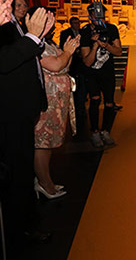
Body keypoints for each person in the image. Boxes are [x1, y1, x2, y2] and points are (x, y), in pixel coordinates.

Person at [0, 0, 55, 255]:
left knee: (21, 175)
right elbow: (6, 61)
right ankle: (16, 235)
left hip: (22, 113)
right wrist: (32, 39)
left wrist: (39, 36)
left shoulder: (10, 22)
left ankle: (24, 226)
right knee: (15, 179)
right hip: (7, 116)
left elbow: (23, 59)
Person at [34, 12, 80, 199]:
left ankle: (46, 179)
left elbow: (65, 64)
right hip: (48, 99)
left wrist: (69, 51)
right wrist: (67, 52)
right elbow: (55, 65)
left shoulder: (48, 42)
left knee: (51, 142)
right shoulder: (36, 45)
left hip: (57, 99)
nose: (51, 25)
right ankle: (44, 183)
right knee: (42, 143)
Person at [80, 2, 122, 148]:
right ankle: (94, 132)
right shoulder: (85, 32)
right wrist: (96, 45)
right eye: (95, 14)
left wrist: (107, 45)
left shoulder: (111, 29)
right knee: (95, 100)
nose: (99, 17)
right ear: (89, 15)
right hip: (92, 73)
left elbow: (118, 51)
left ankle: (105, 131)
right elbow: (87, 62)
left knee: (109, 102)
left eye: (101, 14)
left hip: (108, 72)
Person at [60, 16, 87, 135]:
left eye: (78, 22)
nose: (77, 24)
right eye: (75, 23)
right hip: (72, 64)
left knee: (82, 89)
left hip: (82, 65)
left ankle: (81, 109)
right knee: (74, 89)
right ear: (71, 24)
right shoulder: (65, 33)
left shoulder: (83, 32)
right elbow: (63, 46)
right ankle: (75, 109)